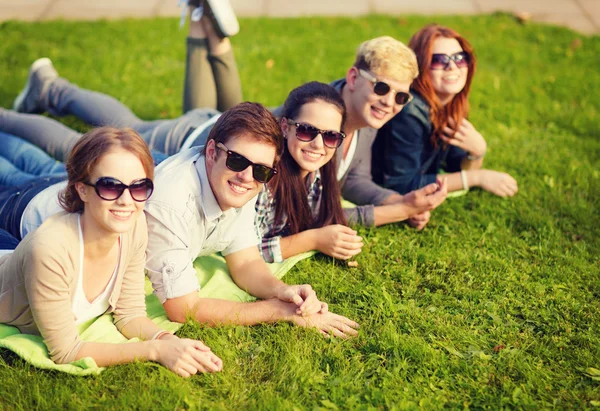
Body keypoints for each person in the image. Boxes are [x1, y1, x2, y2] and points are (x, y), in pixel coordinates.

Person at [0, 127, 223, 377]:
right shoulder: (49, 251)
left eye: (138, 187)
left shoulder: (133, 227)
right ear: (81, 189)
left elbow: (129, 314)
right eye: (110, 186)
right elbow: (66, 351)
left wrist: (166, 340)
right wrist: (154, 351)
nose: (126, 200)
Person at [273, 36, 448, 232]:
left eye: (401, 97)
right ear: (353, 78)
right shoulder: (314, 127)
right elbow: (313, 215)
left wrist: (399, 200)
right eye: (381, 88)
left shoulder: (366, 118)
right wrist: (401, 210)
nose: (389, 103)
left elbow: (354, 178)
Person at [372, 24, 518, 197]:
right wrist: (477, 177)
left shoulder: (450, 102)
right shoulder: (410, 110)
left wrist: (477, 152)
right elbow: (401, 185)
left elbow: (455, 167)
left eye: (459, 58)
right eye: (439, 60)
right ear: (420, 67)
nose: (452, 67)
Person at [255, 81, 363, 263]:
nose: (318, 145)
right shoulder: (262, 176)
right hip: (195, 131)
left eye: (331, 136)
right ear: (284, 128)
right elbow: (245, 252)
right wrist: (314, 240)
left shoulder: (317, 175)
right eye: (306, 131)